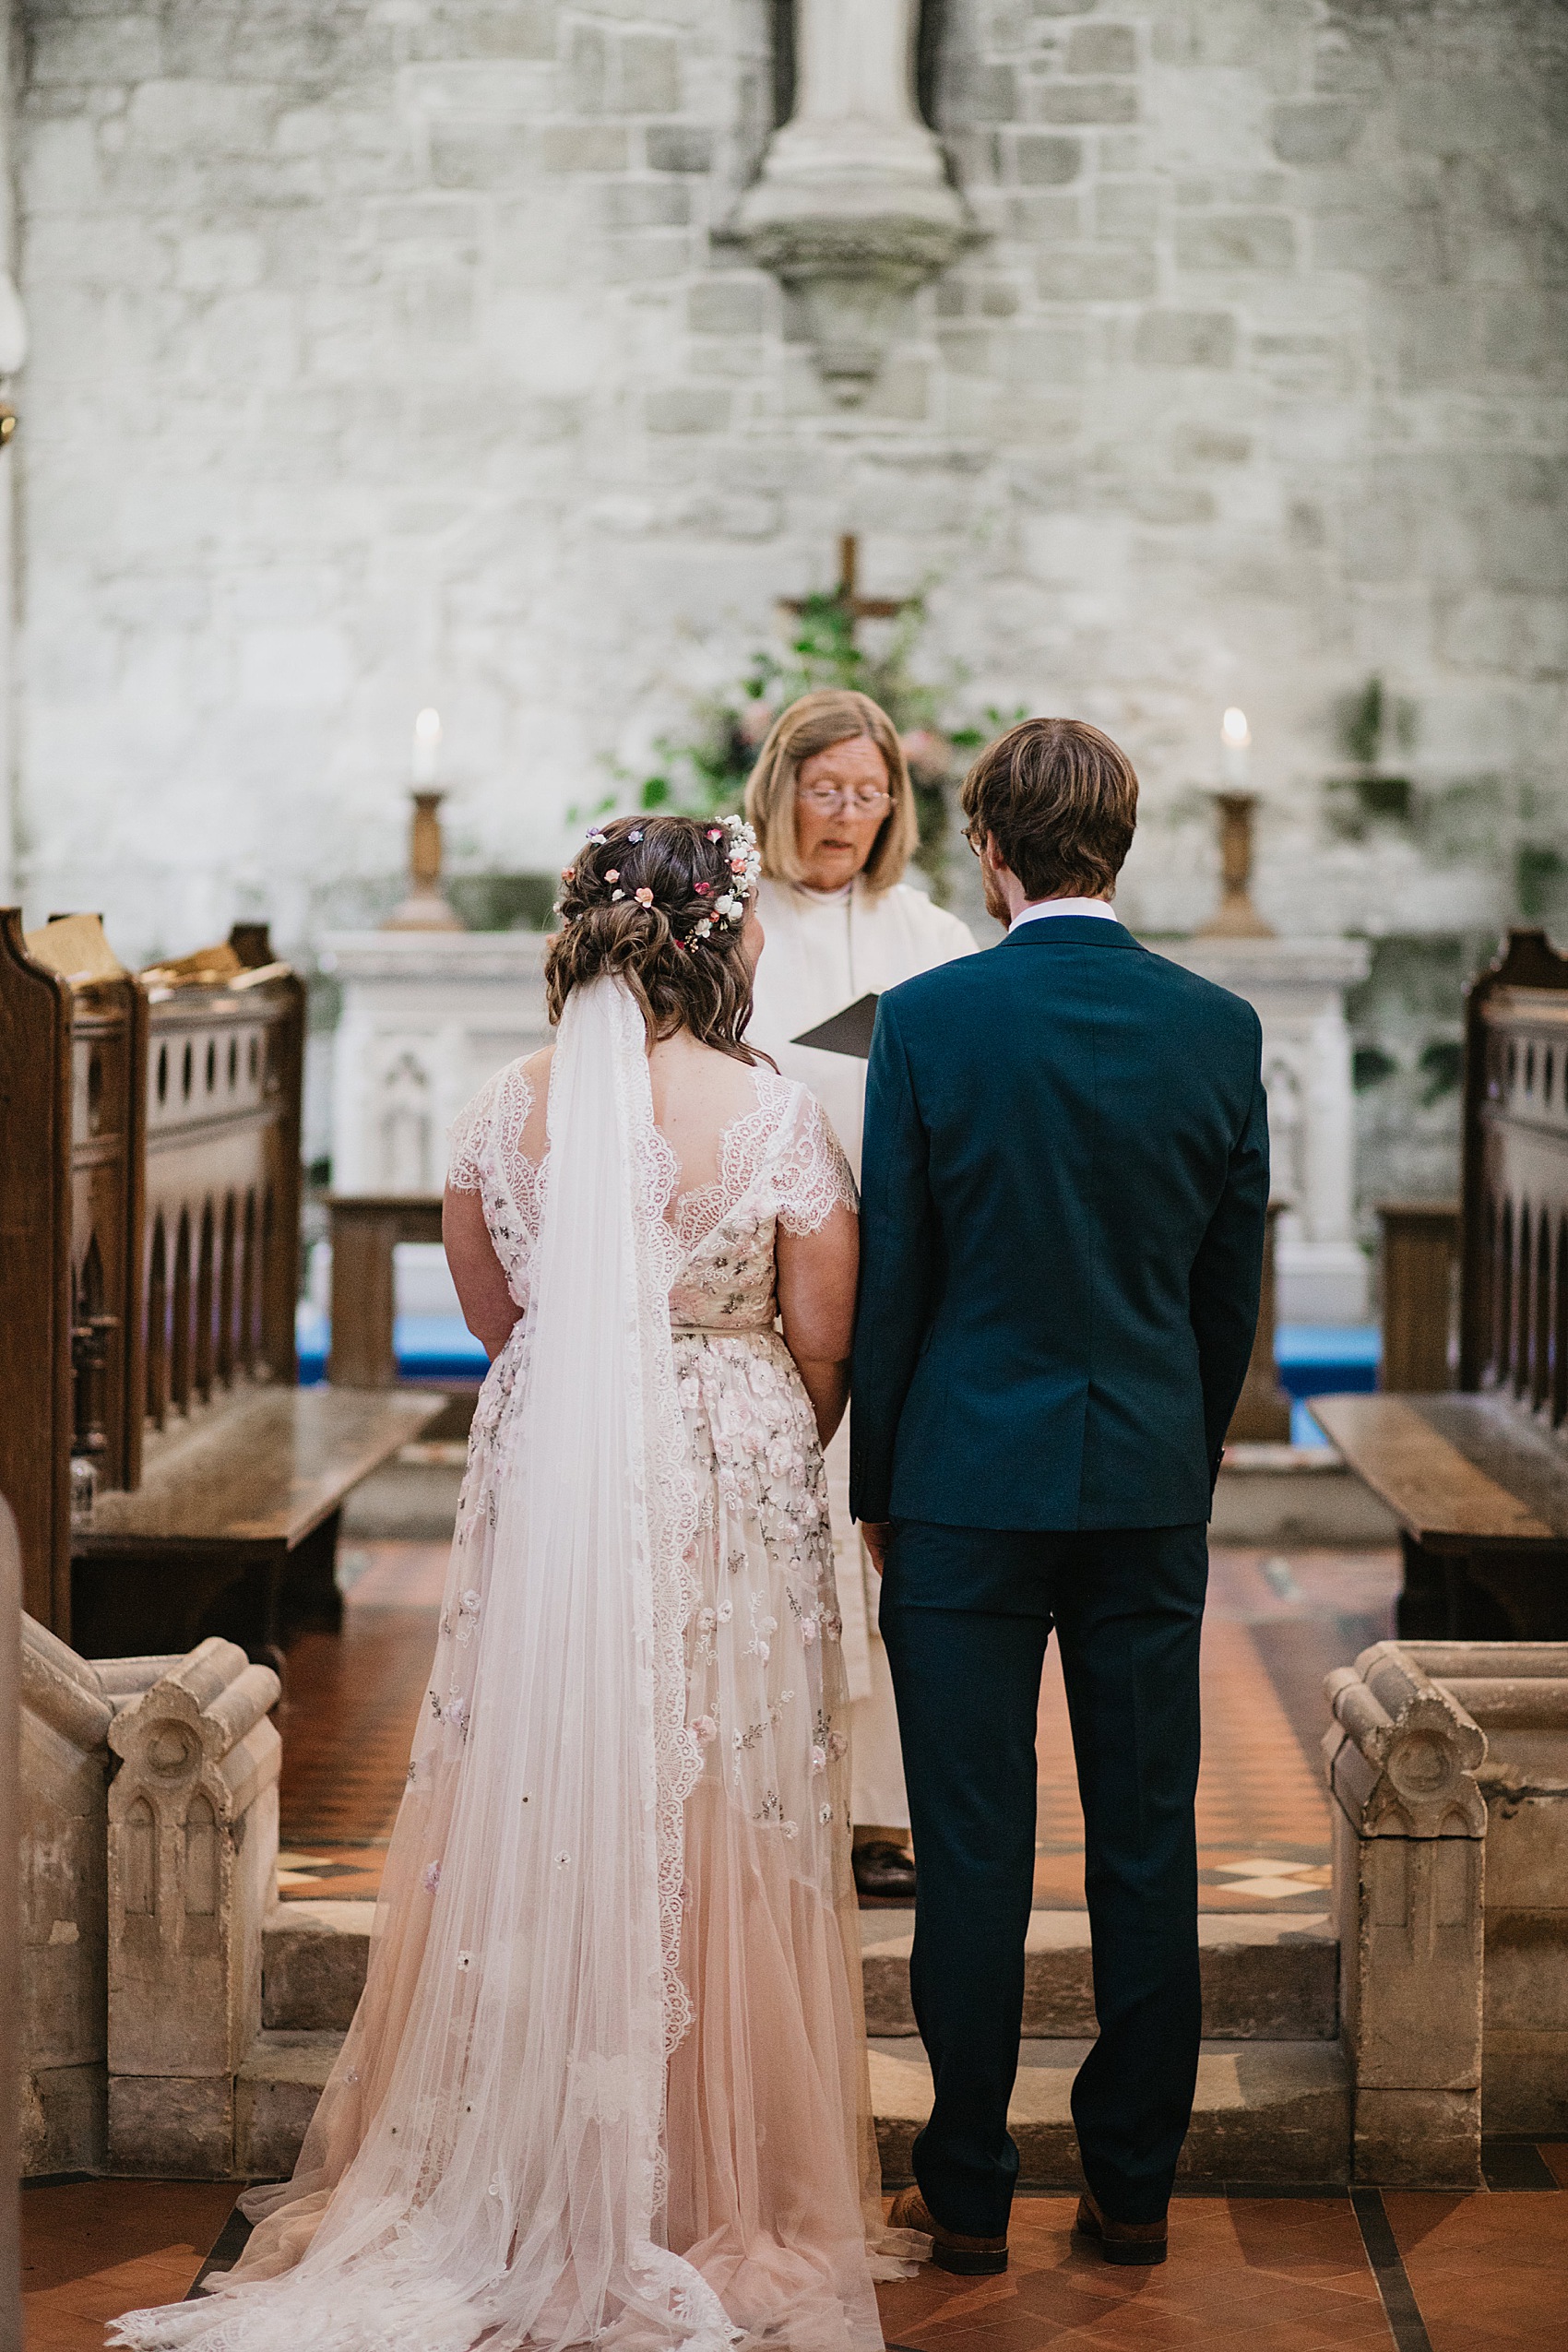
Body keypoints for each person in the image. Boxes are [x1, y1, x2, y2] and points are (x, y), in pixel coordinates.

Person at [113, 813, 919, 2352]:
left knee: (552, 1784)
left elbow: (495, 1310)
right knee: (716, 1793)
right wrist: (748, 1416)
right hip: (728, 1472)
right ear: (711, 937)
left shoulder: (502, 1106)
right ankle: (699, 2169)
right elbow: (829, 1328)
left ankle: (523, 2144)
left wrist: (588, 1406)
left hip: (554, 1458)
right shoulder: (772, 1117)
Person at [851, 719, 1268, 2275]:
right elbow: (1231, 1283)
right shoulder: (1215, 1026)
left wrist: (880, 1480)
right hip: (1149, 1475)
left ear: (991, 850)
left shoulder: (933, 1020)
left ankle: (964, 2190)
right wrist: (1189, 1431)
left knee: (971, 1843)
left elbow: (899, 1271)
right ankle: (1135, 2186)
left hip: (962, 1477)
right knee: (1148, 1837)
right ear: (1127, 843)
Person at [744, 689, 976, 1902]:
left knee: (885, 1548)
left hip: (899, 1281)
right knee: (779, 1549)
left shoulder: (928, 933)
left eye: (868, 791)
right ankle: (769, 1797)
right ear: (780, 788)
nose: (845, 813)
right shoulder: (738, 921)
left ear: (897, 803)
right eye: (825, 788)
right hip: (763, 1287)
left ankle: (880, 1813)